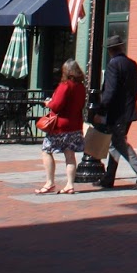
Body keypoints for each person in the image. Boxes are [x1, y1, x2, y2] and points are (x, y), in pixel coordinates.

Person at [93, 33, 137, 188]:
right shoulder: (132, 64)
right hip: (128, 111)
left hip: (117, 113)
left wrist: (101, 111)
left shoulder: (114, 64)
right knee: (114, 144)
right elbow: (136, 89)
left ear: (109, 50)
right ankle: (108, 178)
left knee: (119, 142)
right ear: (121, 47)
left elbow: (110, 91)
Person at [37, 59, 87, 194]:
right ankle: (70, 184)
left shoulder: (65, 86)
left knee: (46, 150)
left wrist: (48, 103)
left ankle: (50, 182)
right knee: (70, 155)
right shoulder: (80, 87)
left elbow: (56, 105)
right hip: (75, 125)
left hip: (60, 126)